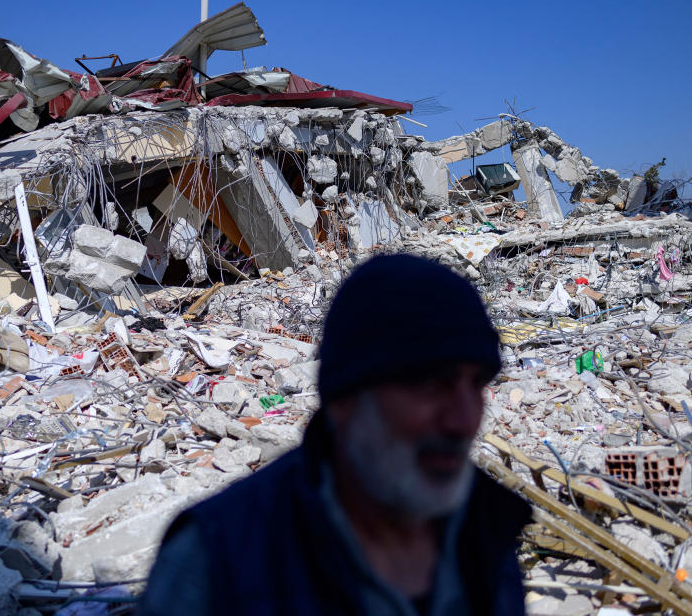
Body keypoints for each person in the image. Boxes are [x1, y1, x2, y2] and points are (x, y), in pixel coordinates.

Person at [137, 253, 531, 616]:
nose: (463, 420)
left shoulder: (487, 529)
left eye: (477, 383)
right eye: (431, 383)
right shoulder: (216, 563)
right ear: (346, 399)